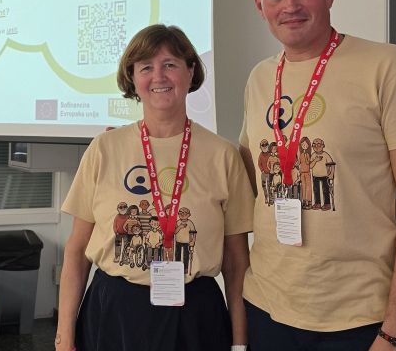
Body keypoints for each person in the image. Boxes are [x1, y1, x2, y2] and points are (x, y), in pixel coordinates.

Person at [238, 0, 396, 351]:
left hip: (362, 320)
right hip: (268, 310)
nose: (289, 6)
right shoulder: (260, 77)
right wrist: (147, 140)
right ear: (259, 5)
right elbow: (244, 178)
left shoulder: (386, 67)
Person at [57, 24, 254, 351]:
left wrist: (239, 342)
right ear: (133, 78)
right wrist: (64, 337)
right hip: (115, 313)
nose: (158, 76)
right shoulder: (104, 148)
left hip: (195, 316)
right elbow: (77, 251)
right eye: (146, 67)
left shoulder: (223, 155)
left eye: (170, 64)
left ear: (191, 72)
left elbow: (236, 262)